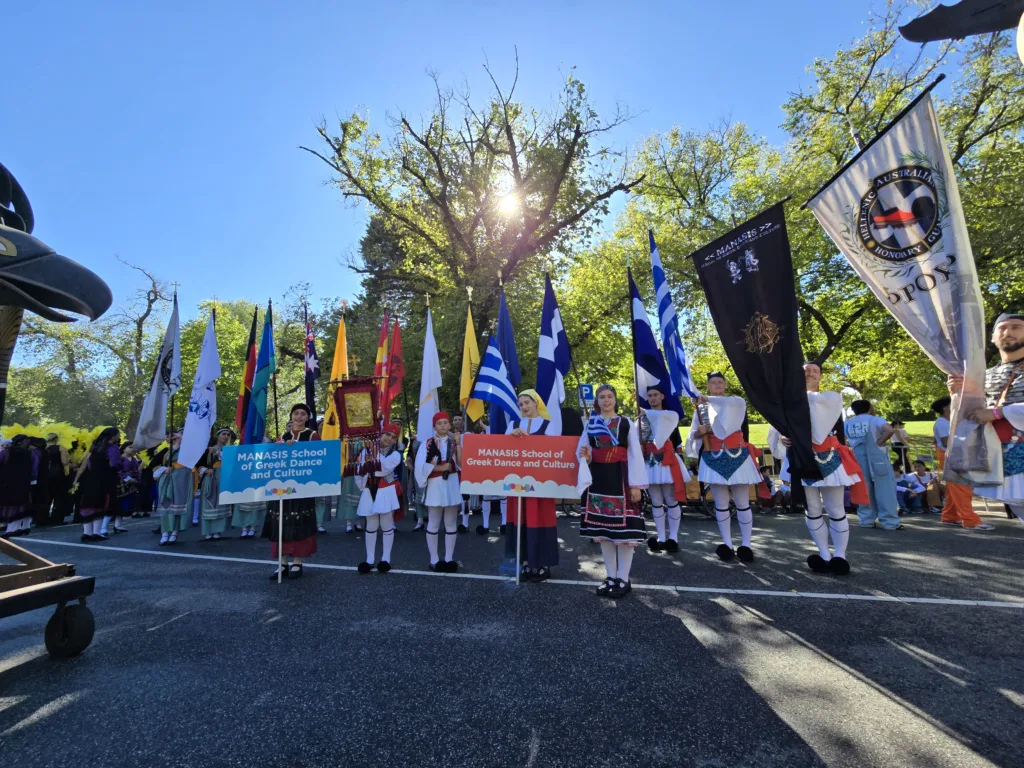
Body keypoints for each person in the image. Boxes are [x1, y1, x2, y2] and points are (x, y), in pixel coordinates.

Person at [770, 362, 862, 575]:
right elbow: (778, 429)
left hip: (829, 456)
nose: (810, 374)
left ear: (821, 376)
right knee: (812, 508)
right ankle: (824, 554)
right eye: (805, 371)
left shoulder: (830, 400)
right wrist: (782, 437)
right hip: (802, 457)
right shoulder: (788, 402)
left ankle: (840, 555)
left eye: (815, 371)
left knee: (836, 508)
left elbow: (837, 431)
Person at [950, 312, 1024, 526]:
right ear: (992, 337)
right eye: (1002, 328)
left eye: (1016, 327)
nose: (1008, 332)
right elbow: (972, 414)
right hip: (1003, 456)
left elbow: (990, 412)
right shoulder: (985, 375)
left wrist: (997, 413)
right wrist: (957, 394)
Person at [578, 384, 646, 599]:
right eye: (602, 397)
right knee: (605, 534)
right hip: (598, 480)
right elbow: (582, 451)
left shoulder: (625, 423)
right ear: (596, 401)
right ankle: (610, 576)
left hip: (622, 479)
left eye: (609, 396)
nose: (606, 400)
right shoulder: (590, 424)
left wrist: (636, 485)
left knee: (624, 534)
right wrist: (585, 455)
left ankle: (623, 578)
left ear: (615, 400)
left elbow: (635, 454)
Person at [686, 372, 762, 562]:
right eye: (713, 383)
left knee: (742, 502)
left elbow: (729, 421)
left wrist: (709, 424)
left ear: (725, 385)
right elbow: (693, 434)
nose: (717, 385)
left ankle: (746, 544)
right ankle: (727, 543)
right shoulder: (700, 407)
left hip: (736, 454)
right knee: (720, 503)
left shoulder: (734, 402)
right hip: (713, 455)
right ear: (708, 386)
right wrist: (699, 432)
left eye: (720, 382)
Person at [504, 389, 562, 582]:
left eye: (527, 402)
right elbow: (501, 451)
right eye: (521, 404)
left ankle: (542, 564)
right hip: (518, 484)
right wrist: (510, 438)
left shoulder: (549, 425)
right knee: (522, 521)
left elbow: (554, 452)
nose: (524, 407)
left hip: (541, 485)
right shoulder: (513, 424)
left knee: (540, 521)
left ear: (536, 403)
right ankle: (526, 562)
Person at [265, 404, 321, 579]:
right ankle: (282, 563)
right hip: (282, 487)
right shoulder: (281, 437)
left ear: (307, 417)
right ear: (291, 416)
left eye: (303, 414)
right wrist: (278, 448)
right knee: (280, 521)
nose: (298, 417)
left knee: (298, 521)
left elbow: (318, 458)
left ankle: (297, 561)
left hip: (302, 487)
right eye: (296, 413)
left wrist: (297, 449)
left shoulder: (313, 436)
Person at [639, 384, 690, 553]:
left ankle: (673, 537)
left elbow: (672, 431)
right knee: (656, 501)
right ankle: (661, 536)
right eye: (650, 395)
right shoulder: (641, 418)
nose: (652, 398)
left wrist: (645, 413)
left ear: (662, 396)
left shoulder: (669, 415)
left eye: (655, 395)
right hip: (650, 460)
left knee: (670, 498)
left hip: (667, 460)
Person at [932, 396, 992, 530]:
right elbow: (947, 442)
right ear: (946, 408)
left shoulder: (949, 422)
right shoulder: (942, 423)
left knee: (954, 489)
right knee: (961, 488)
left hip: (955, 457)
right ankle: (970, 520)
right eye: (954, 404)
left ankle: (949, 516)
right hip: (952, 458)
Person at [414, 411, 462, 572]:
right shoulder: (427, 443)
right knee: (433, 522)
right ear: (434, 426)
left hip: (452, 483)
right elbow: (420, 466)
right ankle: (434, 559)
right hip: (435, 484)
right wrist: (441, 467)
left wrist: (459, 444)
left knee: (451, 523)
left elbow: (462, 463)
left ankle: (449, 558)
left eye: (445, 423)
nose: (443, 425)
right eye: (439, 423)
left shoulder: (455, 441)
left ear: (450, 425)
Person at [353, 422, 403, 573]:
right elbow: (359, 470)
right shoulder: (365, 450)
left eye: (393, 437)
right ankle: (369, 559)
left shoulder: (395, 455)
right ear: (381, 433)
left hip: (386, 490)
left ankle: (385, 559)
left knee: (387, 524)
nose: (389, 438)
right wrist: (363, 472)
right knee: (371, 525)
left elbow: (383, 469)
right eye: (387, 434)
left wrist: (373, 454)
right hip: (370, 488)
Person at [845, 400, 901, 531]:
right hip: (877, 457)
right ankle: (890, 522)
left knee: (863, 489)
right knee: (885, 489)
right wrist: (880, 441)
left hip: (857, 458)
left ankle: (866, 520)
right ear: (869, 408)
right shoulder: (875, 419)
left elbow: (843, 439)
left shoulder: (847, 423)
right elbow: (889, 430)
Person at [73, 428, 122, 542]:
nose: (119, 436)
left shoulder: (94, 448)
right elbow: (113, 464)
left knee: (88, 504)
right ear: (112, 436)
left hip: (91, 478)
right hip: (105, 479)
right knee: (100, 505)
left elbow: (88, 464)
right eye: (118, 434)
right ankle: (96, 533)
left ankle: (86, 533)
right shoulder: (113, 448)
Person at [199, 428, 235, 541]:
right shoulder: (208, 450)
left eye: (228, 435)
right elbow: (199, 464)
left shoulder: (230, 449)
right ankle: (208, 530)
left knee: (221, 503)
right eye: (223, 434)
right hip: (210, 477)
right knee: (209, 502)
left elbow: (232, 461)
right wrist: (205, 470)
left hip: (223, 477)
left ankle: (218, 530)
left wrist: (218, 452)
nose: (226, 436)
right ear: (218, 436)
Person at [157, 430, 192, 545]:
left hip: (182, 477)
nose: (179, 437)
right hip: (168, 478)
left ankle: (175, 532)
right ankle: (165, 532)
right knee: (166, 503)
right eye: (179, 434)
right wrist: (164, 469)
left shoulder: (189, 449)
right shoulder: (166, 449)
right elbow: (156, 464)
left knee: (178, 504)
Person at [0, 435, 34, 538]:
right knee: (20, 505)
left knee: (11, 505)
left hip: (7, 482)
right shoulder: (28, 453)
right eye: (26, 440)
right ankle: (15, 528)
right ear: (19, 442)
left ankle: (12, 529)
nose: (28, 442)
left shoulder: (6, 452)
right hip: (23, 482)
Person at [107, 443, 140, 535]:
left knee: (124, 506)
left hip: (131, 485)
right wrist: (127, 478)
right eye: (130, 447)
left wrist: (136, 480)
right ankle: (103, 527)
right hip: (120, 484)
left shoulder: (134, 459)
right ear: (124, 449)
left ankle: (118, 525)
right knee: (116, 505)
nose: (132, 449)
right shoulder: (120, 459)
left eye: (133, 447)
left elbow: (136, 471)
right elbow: (117, 471)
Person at [45, 432, 72, 525]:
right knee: (59, 497)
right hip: (58, 475)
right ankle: (56, 519)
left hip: (46, 475)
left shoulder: (43, 449)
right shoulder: (61, 448)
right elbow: (64, 462)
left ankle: (43, 518)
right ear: (56, 439)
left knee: (47, 497)